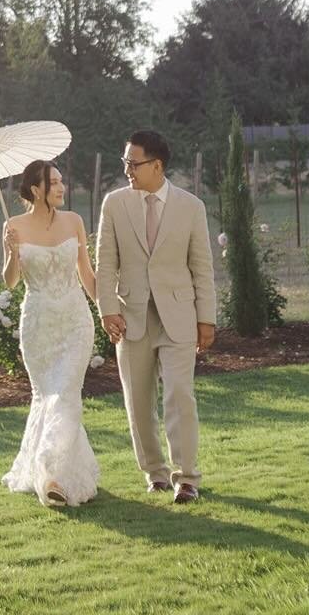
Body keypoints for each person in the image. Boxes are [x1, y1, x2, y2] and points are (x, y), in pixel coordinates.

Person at [95, 129, 216, 503]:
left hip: (179, 316)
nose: (127, 170)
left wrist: (207, 318)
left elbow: (202, 267)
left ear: (157, 165)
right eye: (125, 162)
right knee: (138, 400)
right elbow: (105, 263)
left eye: (134, 163)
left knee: (180, 395)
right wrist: (107, 310)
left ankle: (188, 479)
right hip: (130, 317)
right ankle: (155, 474)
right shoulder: (114, 204)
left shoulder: (191, 207)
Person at [0, 158, 101, 508]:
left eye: (61, 181)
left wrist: (108, 311)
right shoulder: (13, 226)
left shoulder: (74, 221)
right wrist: (12, 253)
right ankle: (62, 471)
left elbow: (87, 274)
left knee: (67, 390)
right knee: (47, 394)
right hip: (38, 325)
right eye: (53, 182)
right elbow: (10, 281)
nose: (61, 187)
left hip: (75, 321)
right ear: (35, 189)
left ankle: (50, 469)